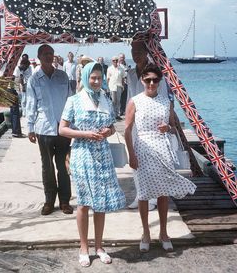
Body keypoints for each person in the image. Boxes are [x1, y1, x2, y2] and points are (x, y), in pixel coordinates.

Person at [124, 63, 196, 253]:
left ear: (160, 81)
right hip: (142, 149)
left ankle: (164, 232)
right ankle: (146, 232)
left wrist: (168, 128)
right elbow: (127, 129)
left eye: (155, 80)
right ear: (142, 80)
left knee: (163, 192)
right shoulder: (135, 101)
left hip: (163, 149)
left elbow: (174, 127)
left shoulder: (166, 101)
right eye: (148, 80)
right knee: (143, 193)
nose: (151, 83)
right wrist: (131, 154)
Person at [59, 62, 126, 267]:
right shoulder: (74, 100)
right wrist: (85, 134)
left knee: (101, 202)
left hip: (103, 155)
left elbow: (112, 126)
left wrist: (109, 132)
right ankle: (83, 247)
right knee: (84, 202)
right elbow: (62, 129)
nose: (96, 81)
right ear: (86, 77)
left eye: (99, 77)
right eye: (93, 77)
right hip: (82, 154)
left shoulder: (105, 98)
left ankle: (99, 246)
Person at [26, 44, 72, 216]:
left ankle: (65, 201)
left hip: (62, 128)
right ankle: (49, 201)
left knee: (63, 165)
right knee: (47, 167)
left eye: (51, 54)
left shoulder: (63, 76)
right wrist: (30, 127)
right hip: (43, 128)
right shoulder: (34, 79)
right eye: (45, 54)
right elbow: (30, 104)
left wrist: (72, 124)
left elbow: (70, 100)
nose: (48, 56)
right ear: (38, 57)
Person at [127, 40, 172, 211]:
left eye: (139, 50)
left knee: (154, 160)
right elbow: (130, 96)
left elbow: (164, 97)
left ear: (146, 52)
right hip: (135, 117)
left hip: (152, 119)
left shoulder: (155, 71)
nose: (135, 54)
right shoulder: (130, 73)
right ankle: (140, 195)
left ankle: (153, 197)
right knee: (136, 160)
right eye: (133, 50)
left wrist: (165, 122)